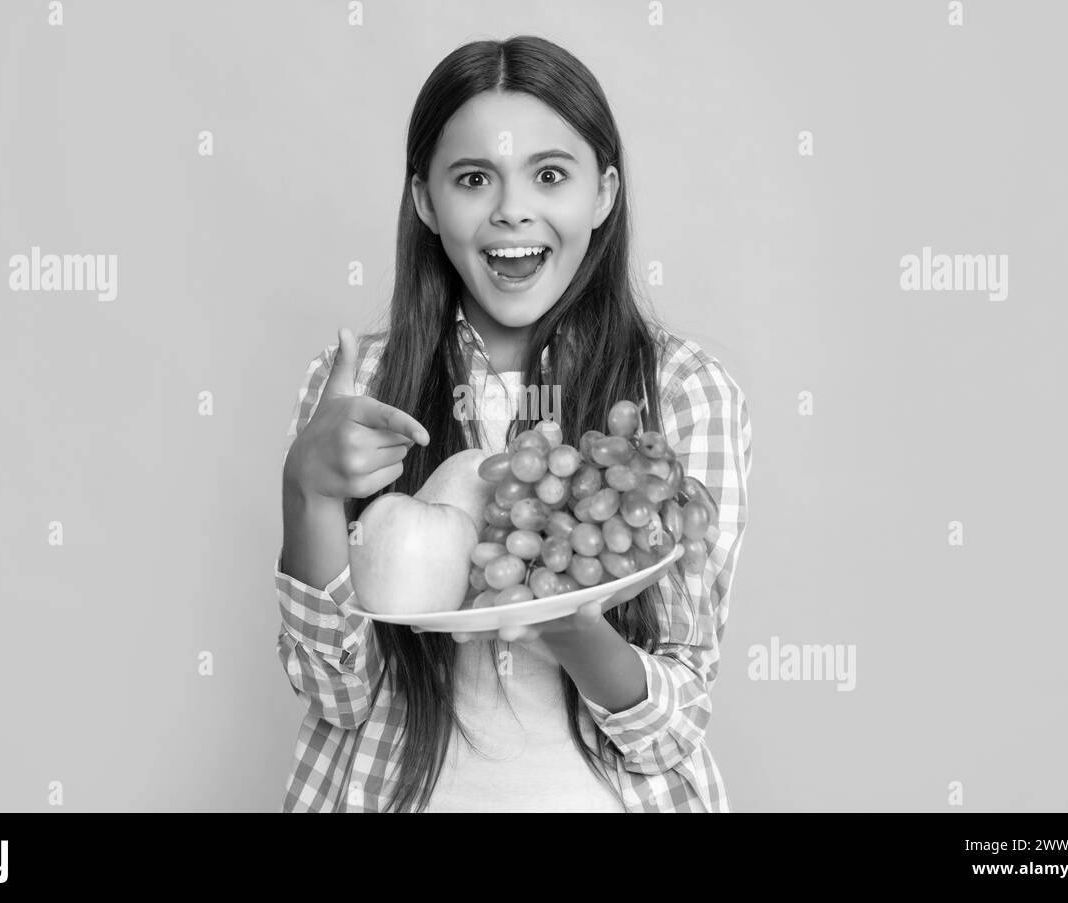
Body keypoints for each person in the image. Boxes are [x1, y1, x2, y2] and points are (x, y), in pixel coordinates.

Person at [276, 35, 752, 813]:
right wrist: (304, 492)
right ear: (426, 200)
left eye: (551, 175)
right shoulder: (359, 390)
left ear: (602, 194)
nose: (511, 210)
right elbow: (336, 692)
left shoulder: (683, 392)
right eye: (472, 178)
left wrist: (572, 629)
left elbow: (671, 725)